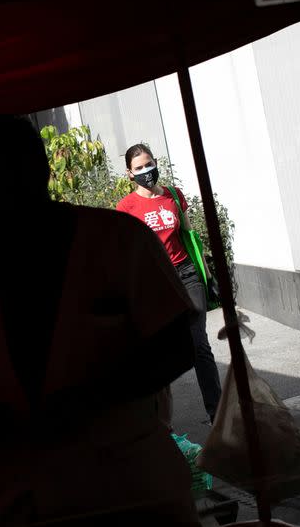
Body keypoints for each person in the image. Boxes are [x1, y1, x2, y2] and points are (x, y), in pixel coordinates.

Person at [0, 116, 201, 526]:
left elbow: (176, 347)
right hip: (16, 498)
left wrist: (90, 399)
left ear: (35, 173)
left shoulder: (118, 241)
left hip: (131, 491)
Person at [116, 143, 222, 424]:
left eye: (148, 164)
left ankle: (218, 413)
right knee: (158, 352)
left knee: (199, 345)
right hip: (154, 283)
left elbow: (189, 236)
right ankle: (159, 423)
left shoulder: (173, 196)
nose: (146, 171)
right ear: (129, 173)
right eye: (139, 168)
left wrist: (208, 276)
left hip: (186, 274)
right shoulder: (126, 207)